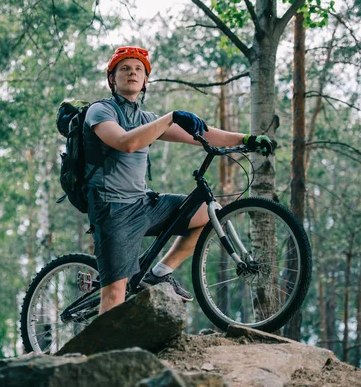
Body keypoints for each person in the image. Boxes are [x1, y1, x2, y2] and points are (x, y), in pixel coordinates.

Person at [84, 46, 274, 314]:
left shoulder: (145, 118)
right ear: (112, 79)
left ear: (146, 80)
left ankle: (159, 273)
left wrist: (246, 139)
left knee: (208, 214)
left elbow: (203, 134)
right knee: (115, 291)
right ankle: (105, 355)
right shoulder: (100, 111)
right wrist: (171, 117)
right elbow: (126, 143)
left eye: (139, 69)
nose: (132, 73)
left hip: (142, 203)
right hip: (112, 209)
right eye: (124, 68)